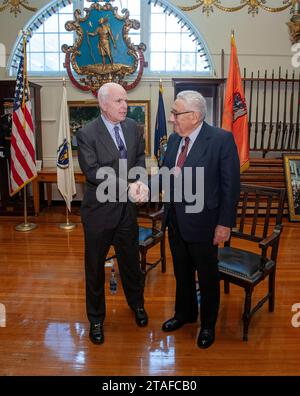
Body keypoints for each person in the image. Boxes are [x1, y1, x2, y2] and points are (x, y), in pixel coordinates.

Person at [160, 90, 240, 349]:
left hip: (206, 225)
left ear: (194, 116)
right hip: (175, 221)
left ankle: (207, 325)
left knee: (207, 278)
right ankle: (184, 314)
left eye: (176, 113)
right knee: (182, 274)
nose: (172, 118)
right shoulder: (174, 140)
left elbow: (230, 186)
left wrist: (225, 224)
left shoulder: (221, 140)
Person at [76, 82, 148, 345]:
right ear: (103, 104)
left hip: (126, 213)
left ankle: (137, 305)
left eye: (125, 100)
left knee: (131, 263)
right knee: (95, 268)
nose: (125, 105)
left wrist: (141, 183)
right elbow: (93, 172)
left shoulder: (132, 128)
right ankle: (96, 319)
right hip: (99, 214)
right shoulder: (87, 134)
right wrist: (127, 187)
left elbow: (139, 158)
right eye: (119, 101)